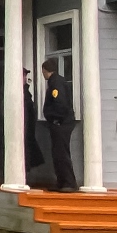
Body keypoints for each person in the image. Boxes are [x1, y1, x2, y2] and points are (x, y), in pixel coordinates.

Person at [41, 55, 79, 192]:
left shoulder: (56, 83)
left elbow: (60, 104)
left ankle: (68, 183)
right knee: (58, 153)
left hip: (61, 124)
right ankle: (62, 182)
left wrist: (56, 119)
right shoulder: (57, 82)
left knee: (61, 153)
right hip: (61, 123)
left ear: (45, 70)